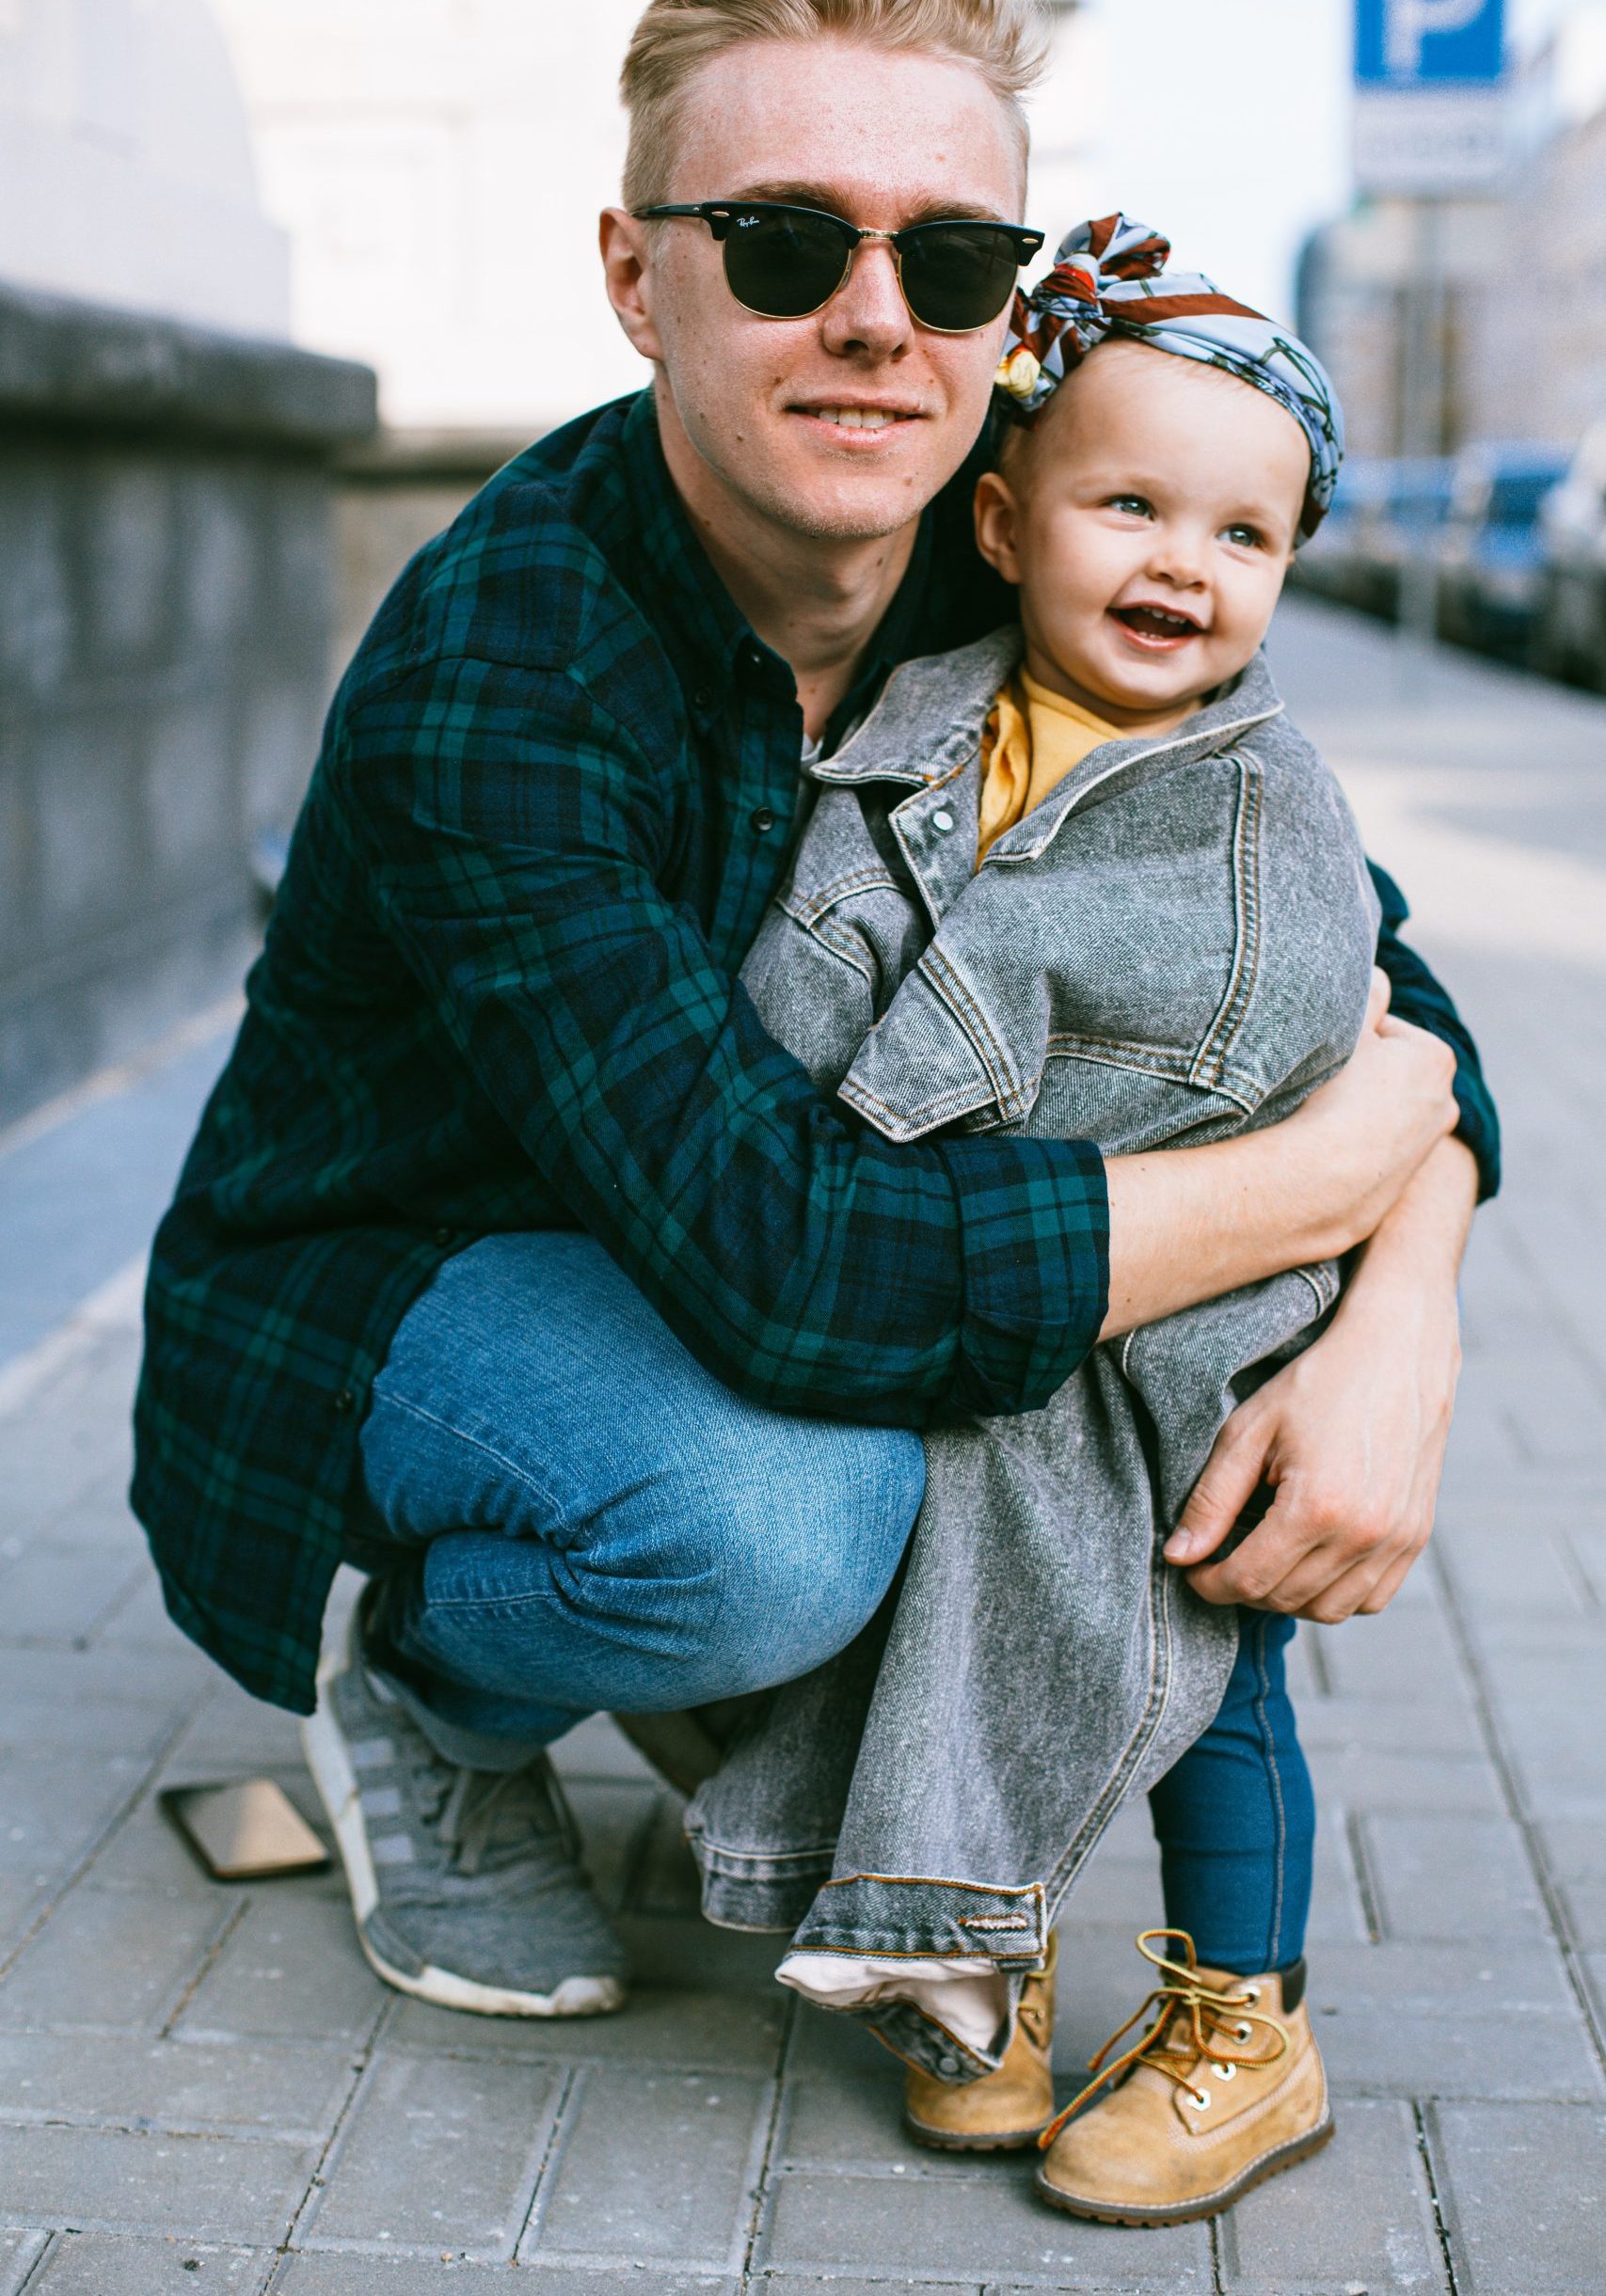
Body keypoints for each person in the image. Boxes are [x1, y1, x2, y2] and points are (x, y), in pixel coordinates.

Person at [131, 0, 1492, 2050]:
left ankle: (709, 1663)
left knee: (896, 1446)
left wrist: (1401, 1320)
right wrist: (1312, 1180)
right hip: (403, 1273)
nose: (874, 317)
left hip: (708, 1249)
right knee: (781, 1523)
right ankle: (416, 1688)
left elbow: (1351, 960)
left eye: (948, 261)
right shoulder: (502, 665)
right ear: (634, 278)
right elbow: (798, 1283)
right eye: (784, 242)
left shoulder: (1009, 559)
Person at [692, 214, 1382, 2225]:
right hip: (971, 1284)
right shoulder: (918, 721)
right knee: (931, 1611)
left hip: (1184, 1306)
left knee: (1206, 1659)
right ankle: (967, 1952)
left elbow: (1259, 1033)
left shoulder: (1257, 800)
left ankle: (1244, 2023)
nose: (1180, 561)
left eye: (1240, 537)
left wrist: (907, 1122)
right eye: (1128, 505)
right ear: (1001, 525)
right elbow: (800, 958)